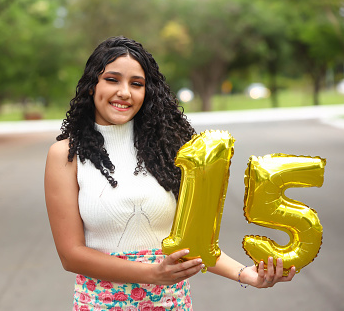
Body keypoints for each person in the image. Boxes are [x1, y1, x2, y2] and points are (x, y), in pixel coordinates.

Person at [44, 36, 295, 310]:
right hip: (98, 304)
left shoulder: (171, 150)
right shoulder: (66, 155)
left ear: (147, 92)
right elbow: (71, 256)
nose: (125, 92)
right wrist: (152, 274)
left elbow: (192, 244)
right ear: (92, 85)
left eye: (136, 84)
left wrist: (243, 274)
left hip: (170, 303)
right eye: (113, 80)